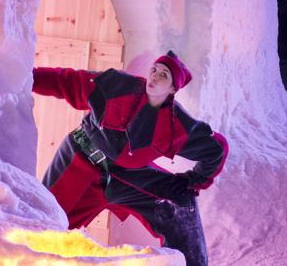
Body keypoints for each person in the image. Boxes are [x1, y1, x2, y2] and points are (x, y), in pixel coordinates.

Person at [32, 51, 228, 265]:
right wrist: (28, 77)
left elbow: (216, 149)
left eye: (163, 75)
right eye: (154, 70)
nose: (154, 76)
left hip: (124, 177)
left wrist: (192, 179)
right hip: (78, 162)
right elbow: (67, 81)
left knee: (180, 202)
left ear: (173, 89)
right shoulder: (117, 85)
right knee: (44, 228)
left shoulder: (177, 125)